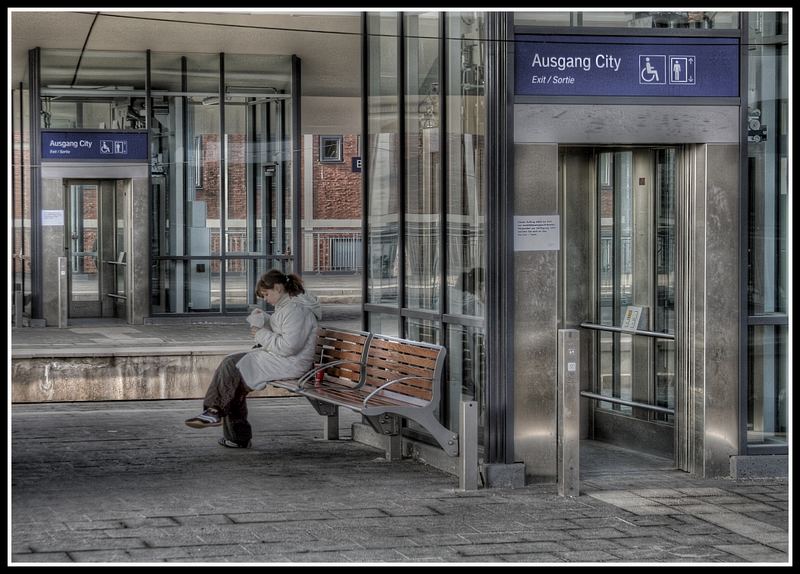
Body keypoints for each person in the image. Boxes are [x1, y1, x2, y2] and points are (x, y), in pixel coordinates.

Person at [184, 269, 322, 448]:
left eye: (266, 294)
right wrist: (265, 320)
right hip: (281, 359)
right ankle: (229, 429)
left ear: (278, 288)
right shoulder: (287, 307)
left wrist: (261, 334)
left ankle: (219, 417)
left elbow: (289, 347)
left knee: (232, 368)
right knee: (232, 376)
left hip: (291, 363)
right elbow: (283, 331)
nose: (265, 299)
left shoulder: (296, 310)